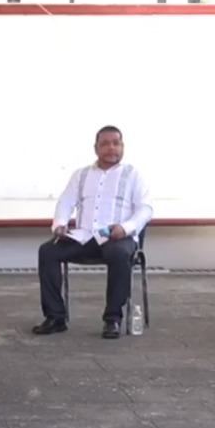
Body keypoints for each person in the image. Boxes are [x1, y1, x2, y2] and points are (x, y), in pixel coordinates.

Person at [34, 125, 153, 339]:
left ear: (122, 146)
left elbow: (145, 209)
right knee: (48, 251)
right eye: (105, 144)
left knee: (119, 254)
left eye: (116, 143)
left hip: (117, 237)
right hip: (85, 236)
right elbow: (66, 201)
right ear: (96, 148)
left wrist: (124, 228)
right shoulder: (81, 175)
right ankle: (55, 317)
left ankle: (113, 319)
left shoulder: (133, 174)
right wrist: (60, 224)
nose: (111, 148)